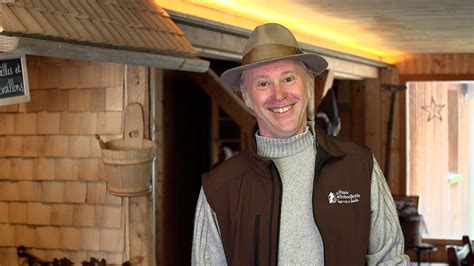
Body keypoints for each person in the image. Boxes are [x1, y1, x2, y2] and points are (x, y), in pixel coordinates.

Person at [192, 23, 409, 265]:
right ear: (246, 97)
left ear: (307, 84)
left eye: (288, 78)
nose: (279, 94)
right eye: (263, 83)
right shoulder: (220, 188)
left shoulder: (359, 165)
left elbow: (391, 259)